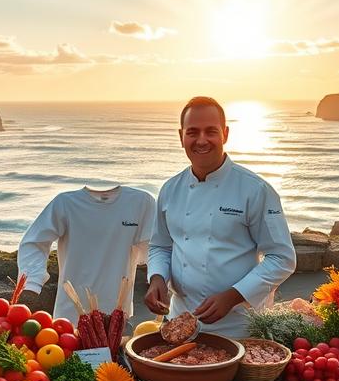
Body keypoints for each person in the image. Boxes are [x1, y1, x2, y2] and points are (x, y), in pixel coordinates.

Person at [145, 96, 296, 338]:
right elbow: (160, 245)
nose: (201, 140)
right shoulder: (170, 189)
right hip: (179, 320)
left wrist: (233, 296)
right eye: (192, 132)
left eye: (211, 131)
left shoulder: (255, 189)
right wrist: (157, 278)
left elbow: (282, 258)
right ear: (181, 136)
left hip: (239, 326)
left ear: (225, 134)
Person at [16, 184, 156, 325]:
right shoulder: (65, 203)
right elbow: (34, 241)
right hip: (69, 315)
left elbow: (157, 249)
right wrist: (31, 284)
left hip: (116, 313)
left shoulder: (142, 202)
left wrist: (159, 280)